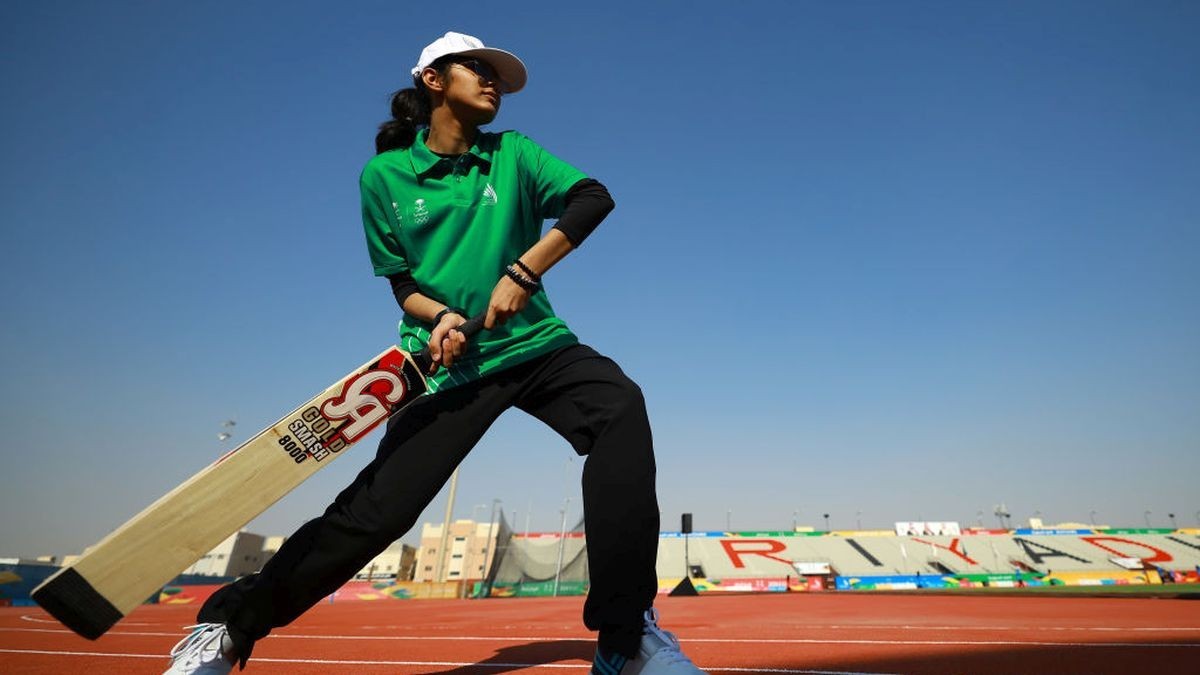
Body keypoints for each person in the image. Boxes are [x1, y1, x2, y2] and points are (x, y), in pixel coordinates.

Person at [162, 31, 704, 675]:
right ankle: (228, 626)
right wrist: (443, 315)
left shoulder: (515, 154)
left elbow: (592, 197)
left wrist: (524, 272)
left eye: (495, 72)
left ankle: (623, 638)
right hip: (446, 368)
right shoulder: (384, 177)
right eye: (477, 68)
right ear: (433, 80)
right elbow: (401, 285)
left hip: (535, 347)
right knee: (374, 516)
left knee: (619, 407)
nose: (492, 80)